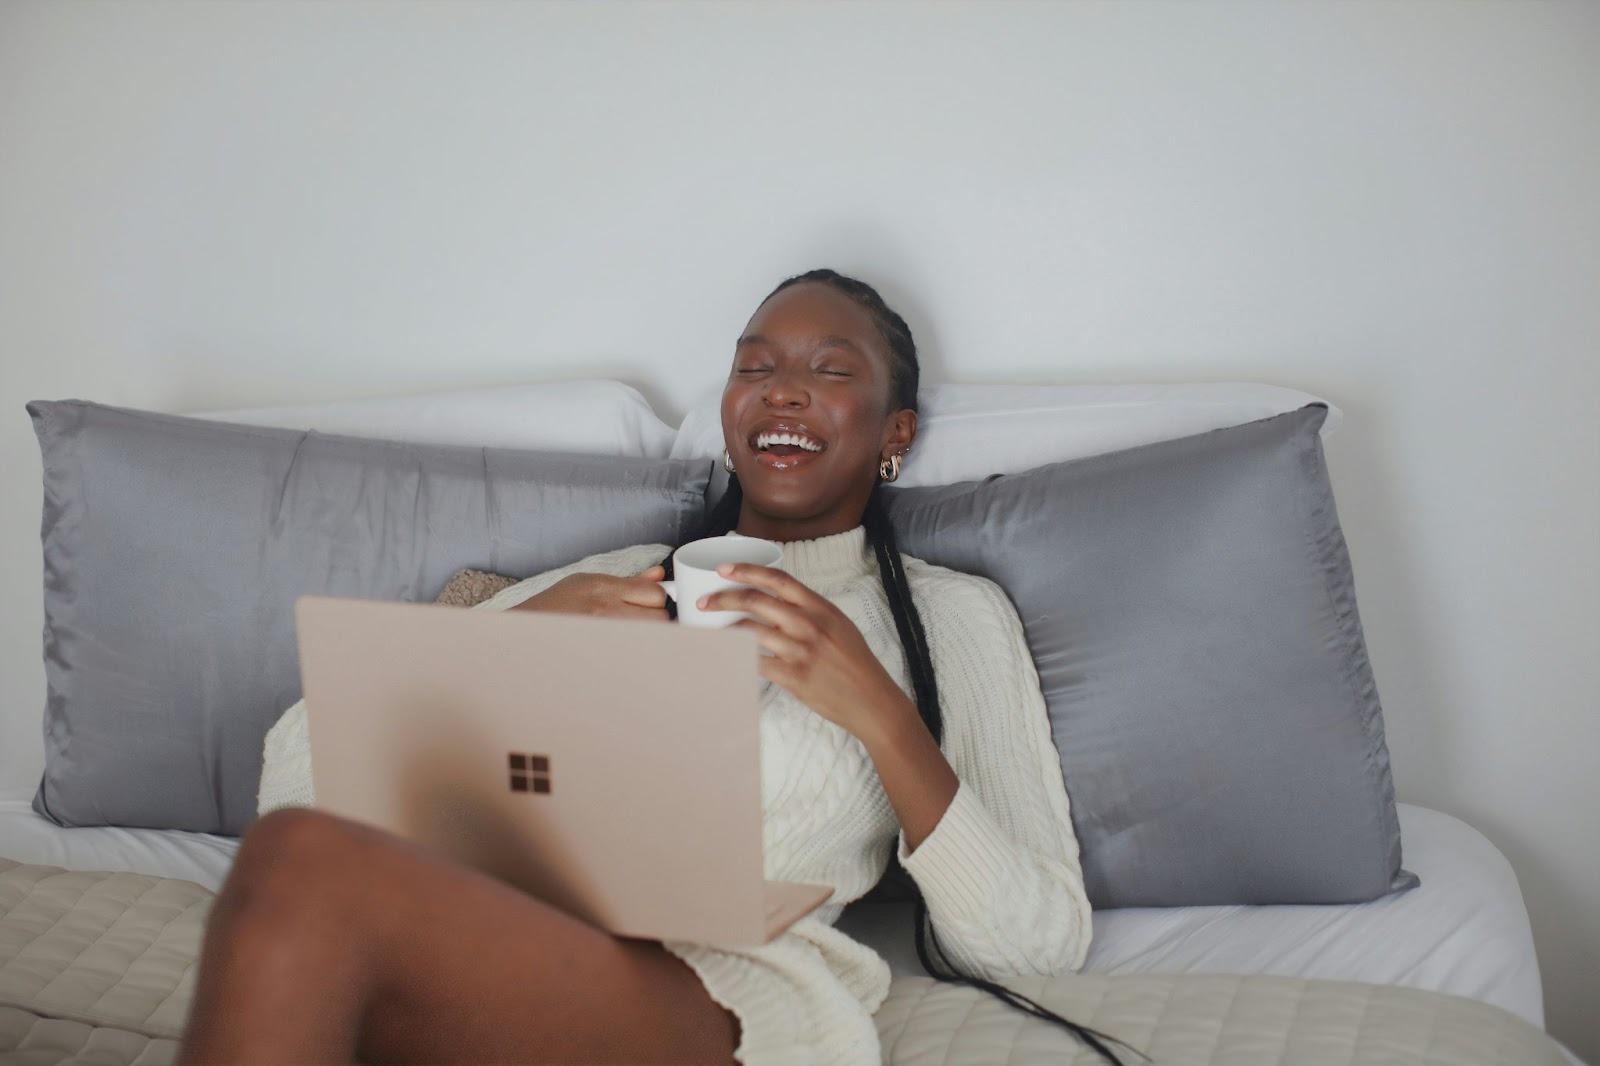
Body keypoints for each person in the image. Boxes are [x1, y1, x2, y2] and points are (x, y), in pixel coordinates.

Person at [177, 270, 1119, 1066]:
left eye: (828, 371)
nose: (781, 390)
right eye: (754, 367)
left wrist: (874, 706)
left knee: (304, 876)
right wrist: (527, 637)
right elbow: (298, 780)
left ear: (895, 434)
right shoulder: (608, 584)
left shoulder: (950, 618)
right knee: (298, 862)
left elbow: (1038, 944)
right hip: (499, 938)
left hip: (716, 990)